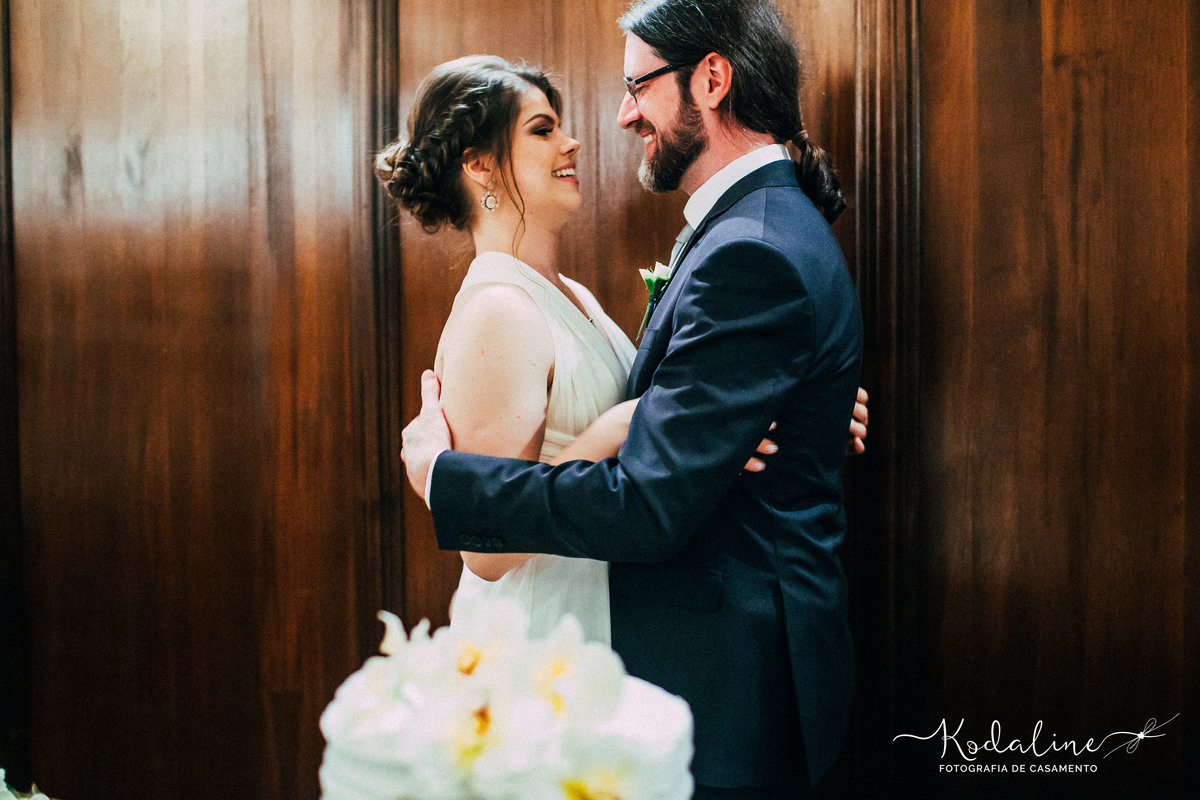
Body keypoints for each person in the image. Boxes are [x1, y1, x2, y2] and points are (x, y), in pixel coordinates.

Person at [399, 1, 864, 797]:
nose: (615, 117)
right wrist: (681, 420)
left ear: (711, 79)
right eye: (542, 128)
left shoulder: (745, 247)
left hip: (724, 673)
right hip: (599, 637)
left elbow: (650, 493)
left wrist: (445, 477)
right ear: (479, 166)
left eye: (637, 86)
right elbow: (660, 419)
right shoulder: (749, 232)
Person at [377, 56, 850, 645]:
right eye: (542, 130)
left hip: (603, 604)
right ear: (478, 166)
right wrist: (620, 425)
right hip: (538, 628)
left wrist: (749, 407)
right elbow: (485, 553)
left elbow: (666, 419)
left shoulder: (570, 294)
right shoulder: (498, 309)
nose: (570, 142)